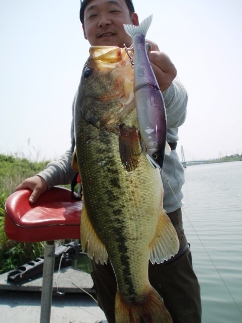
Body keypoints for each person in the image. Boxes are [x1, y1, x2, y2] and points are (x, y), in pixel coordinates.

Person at [16, 0, 201, 322]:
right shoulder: (91, 90)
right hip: (102, 223)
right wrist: (46, 177)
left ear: (133, 20)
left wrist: (166, 86)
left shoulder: (147, 73)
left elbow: (177, 112)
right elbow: (80, 152)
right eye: (92, 15)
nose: (103, 21)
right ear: (84, 30)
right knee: (115, 305)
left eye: (113, 10)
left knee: (179, 311)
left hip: (159, 217)